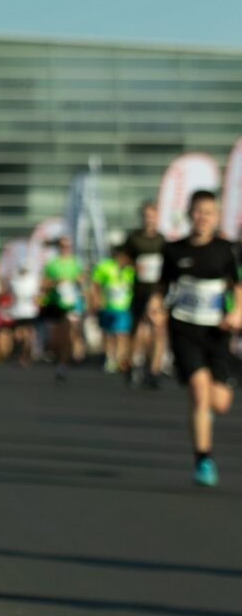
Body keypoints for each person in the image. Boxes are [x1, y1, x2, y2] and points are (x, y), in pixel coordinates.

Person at [152, 189, 242, 485]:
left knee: (220, 403)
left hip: (216, 331)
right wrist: (156, 308)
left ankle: (203, 417)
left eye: (208, 213)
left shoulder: (226, 249)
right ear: (189, 214)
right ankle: (203, 459)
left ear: (216, 217)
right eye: (198, 212)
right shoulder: (174, 250)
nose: (202, 218)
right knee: (199, 392)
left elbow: (237, 286)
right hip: (184, 328)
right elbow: (161, 287)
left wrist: (237, 312)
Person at [121, 200, 167, 388]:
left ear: (157, 217)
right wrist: (134, 265)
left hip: (157, 292)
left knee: (158, 330)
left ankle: (153, 370)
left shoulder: (163, 240)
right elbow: (121, 258)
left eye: (152, 216)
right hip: (139, 290)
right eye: (146, 216)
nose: (149, 220)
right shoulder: (134, 239)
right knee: (138, 331)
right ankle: (133, 365)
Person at [39, 232, 86, 372]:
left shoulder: (76, 262)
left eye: (68, 246)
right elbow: (44, 284)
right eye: (62, 246)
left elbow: (83, 280)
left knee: (68, 333)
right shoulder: (52, 264)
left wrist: (79, 281)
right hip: (54, 303)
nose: (65, 248)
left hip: (70, 304)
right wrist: (55, 282)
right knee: (56, 337)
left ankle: (63, 362)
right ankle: (55, 353)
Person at [90, 241, 134, 375]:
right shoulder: (105, 266)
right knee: (109, 333)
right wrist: (96, 299)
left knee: (121, 333)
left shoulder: (130, 269)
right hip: (108, 306)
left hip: (124, 307)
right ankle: (110, 358)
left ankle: (121, 358)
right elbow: (96, 283)